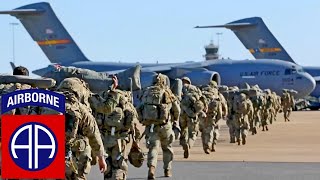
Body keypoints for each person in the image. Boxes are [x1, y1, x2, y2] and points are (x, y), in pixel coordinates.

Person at [90, 75, 140, 179]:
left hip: (105, 138)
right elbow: (133, 122)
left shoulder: (101, 99)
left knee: (107, 165)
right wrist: (135, 139)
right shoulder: (124, 101)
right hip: (119, 140)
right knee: (119, 166)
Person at [57, 78, 107, 179]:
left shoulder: (45, 103)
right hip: (75, 155)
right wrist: (101, 158)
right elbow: (93, 133)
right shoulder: (79, 108)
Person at [137, 74, 180, 179]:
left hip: (151, 126)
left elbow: (139, 109)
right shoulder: (167, 92)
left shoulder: (147, 92)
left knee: (153, 149)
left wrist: (142, 120)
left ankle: (152, 168)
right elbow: (176, 109)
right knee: (167, 148)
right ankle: (167, 170)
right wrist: (175, 120)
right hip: (165, 126)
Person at [179, 77, 207, 158]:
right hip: (193, 114)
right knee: (193, 133)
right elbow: (202, 99)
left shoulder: (179, 88)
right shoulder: (195, 88)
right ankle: (189, 144)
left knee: (183, 131)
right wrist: (205, 108)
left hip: (182, 114)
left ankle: (184, 144)